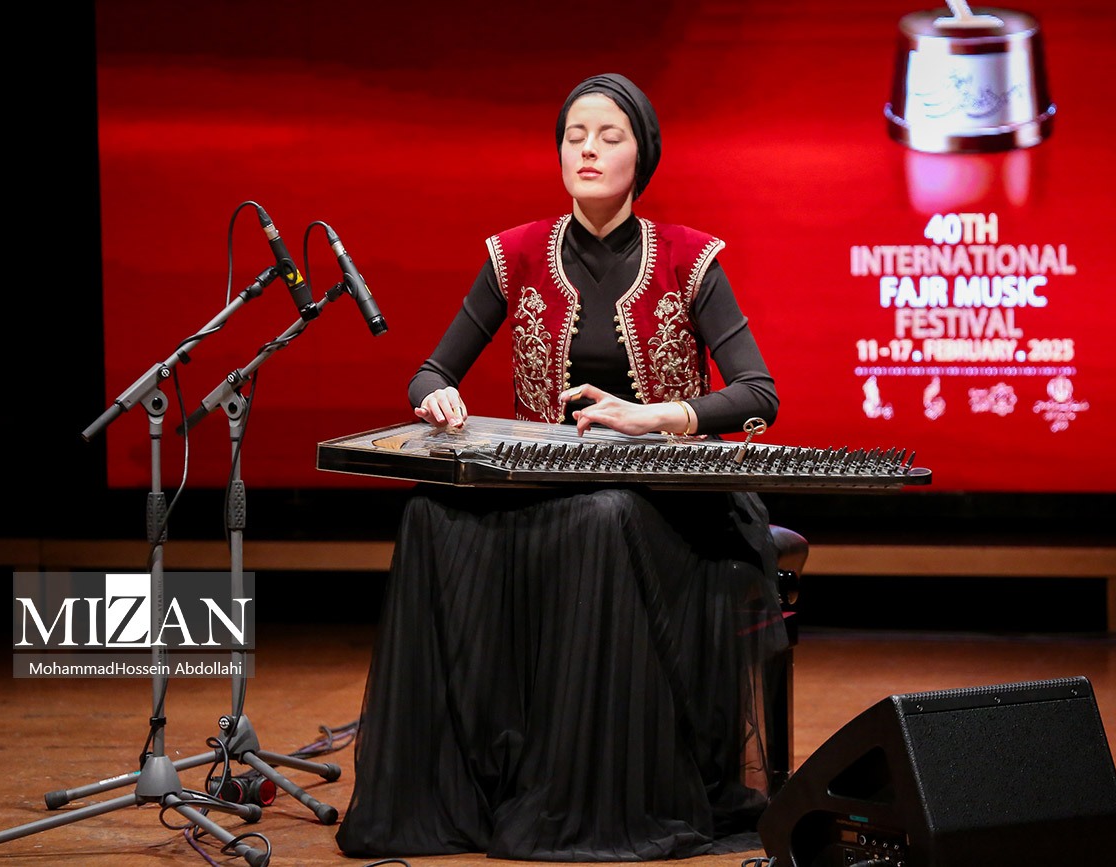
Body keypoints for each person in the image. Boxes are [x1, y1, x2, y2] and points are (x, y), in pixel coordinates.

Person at [335, 72, 788, 862]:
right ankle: (473, 787)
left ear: (642, 156)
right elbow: (431, 370)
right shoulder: (515, 253)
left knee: (606, 514)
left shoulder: (690, 258)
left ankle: (595, 795)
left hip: (672, 502)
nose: (588, 149)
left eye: (609, 136)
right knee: (427, 513)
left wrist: (653, 416)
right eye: (575, 136)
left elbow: (758, 393)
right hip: (548, 490)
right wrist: (437, 394)